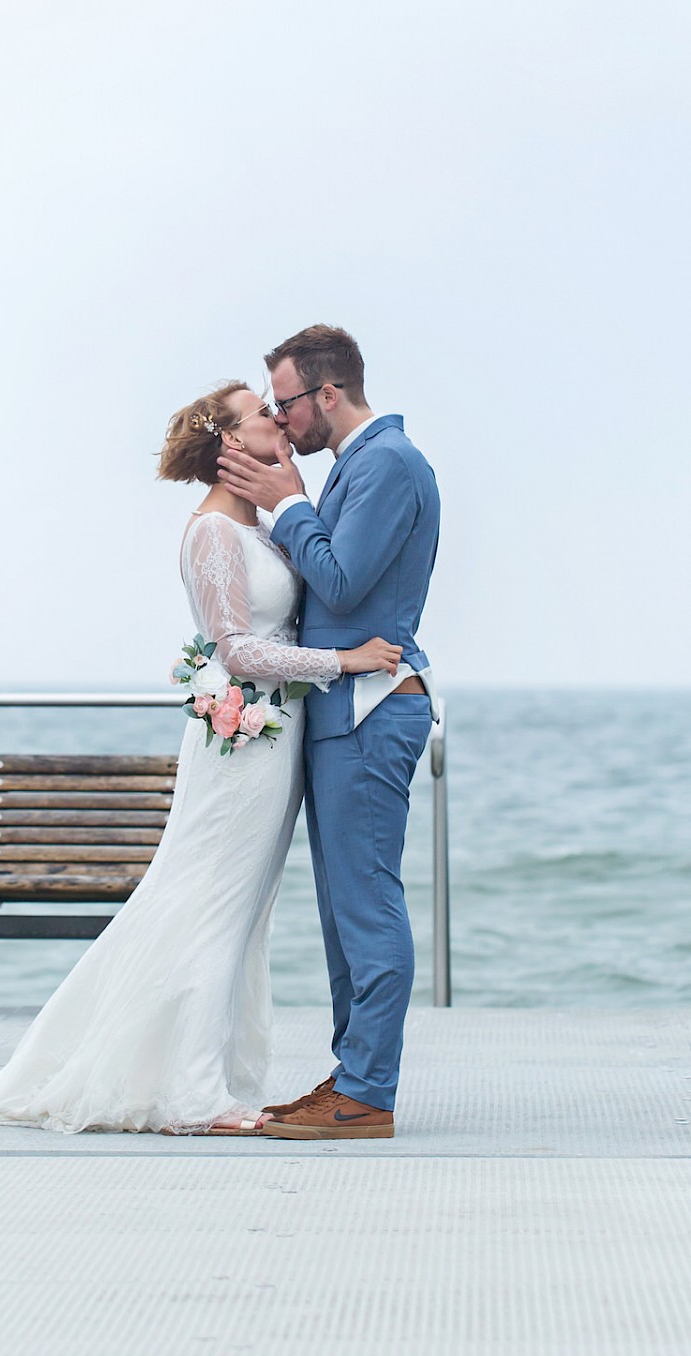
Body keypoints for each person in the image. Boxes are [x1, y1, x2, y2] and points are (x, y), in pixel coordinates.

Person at [0, 381, 401, 1135]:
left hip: (270, 741)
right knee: (211, 904)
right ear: (231, 444)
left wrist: (295, 503)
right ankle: (195, 1096)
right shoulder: (211, 532)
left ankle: (208, 1073)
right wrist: (345, 662)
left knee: (241, 912)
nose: (278, 418)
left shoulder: (261, 526)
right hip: (240, 748)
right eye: (261, 414)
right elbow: (236, 648)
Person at [217, 326, 441, 1141]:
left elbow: (341, 578)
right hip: (342, 714)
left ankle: (369, 1093)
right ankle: (352, 1075)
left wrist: (286, 505)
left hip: (373, 711)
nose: (283, 421)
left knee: (368, 905)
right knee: (344, 912)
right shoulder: (361, 463)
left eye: (286, 404)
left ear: (328, 395)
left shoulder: (386, 464)